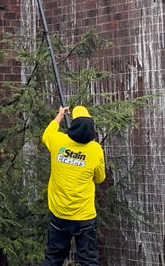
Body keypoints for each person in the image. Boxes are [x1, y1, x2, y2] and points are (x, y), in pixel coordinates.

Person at [42, 105, 106, 266]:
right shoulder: (95, 149)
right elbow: (99, 178)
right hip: (84, 217)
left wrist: (60, 115)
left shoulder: (58, 142)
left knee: (53, 258)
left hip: (59, 214)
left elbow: (47, 133)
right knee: (89, 260)